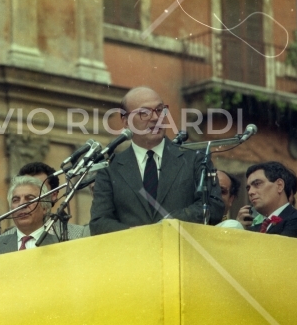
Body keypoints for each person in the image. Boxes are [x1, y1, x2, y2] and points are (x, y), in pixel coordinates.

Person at [90, 86, 224, 235]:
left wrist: (165, 225)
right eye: (144, 113)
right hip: (134, 254)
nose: (155, 118)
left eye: (160, 110)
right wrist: (135, 234)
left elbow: (213, 206)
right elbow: (99, 223)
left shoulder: (195, 158)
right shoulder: (110, 169)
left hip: (182, 252)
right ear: (126, 121)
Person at [0, 176, 58, 256]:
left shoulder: (60, 244)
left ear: (45, 208)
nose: (21, 204)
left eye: (29, 199)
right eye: (16, 200)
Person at [15, 161, 86, 240]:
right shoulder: (1, 241)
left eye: (40, 187)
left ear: (54, 195)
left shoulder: (79, 235)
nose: (22, 203)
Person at [236, 161, 297, 237]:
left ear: (279, 186)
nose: (250, 192)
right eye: (248, 188)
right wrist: (238, 228)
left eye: (257, 184)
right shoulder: (254, 229)